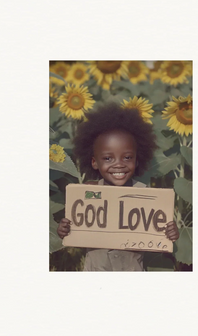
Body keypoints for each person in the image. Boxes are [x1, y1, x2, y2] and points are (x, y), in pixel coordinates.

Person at [57, 102, 179, 271]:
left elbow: (159, 234)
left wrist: (171, 232)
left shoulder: (146, 196)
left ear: (137, 160)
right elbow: (76, 231)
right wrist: (65, 229)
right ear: (94, 162)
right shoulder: (88, 194)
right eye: (108, 158)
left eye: (127, 157)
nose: (118, 165)